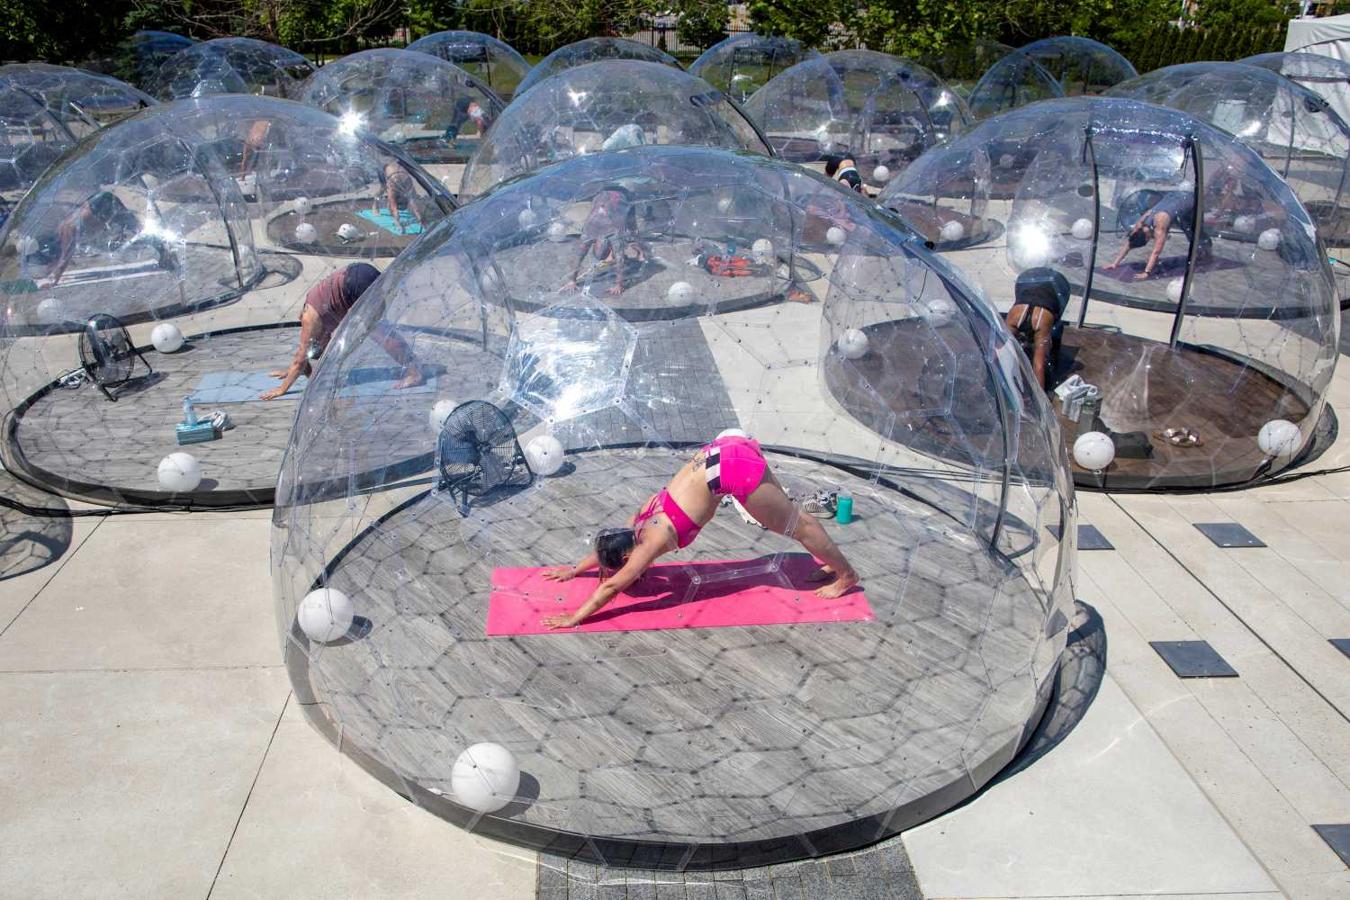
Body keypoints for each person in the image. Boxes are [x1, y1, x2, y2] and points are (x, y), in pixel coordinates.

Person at [540, 433, 861, 629]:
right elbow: (605, 550)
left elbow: (610, 589)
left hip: (730, 471)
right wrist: (574, 570)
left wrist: (573, 618)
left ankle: (846, 575)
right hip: (721, 451)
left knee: (797, 526)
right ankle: (832, 561)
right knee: (795, 517)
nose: (627, 571)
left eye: (621, 563)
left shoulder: (649, 544)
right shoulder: (639, 517)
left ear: (627, 554)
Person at [260, 262, 424, 400]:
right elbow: (301, 360)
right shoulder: (313, 311)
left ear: (318, 341)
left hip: (356, 283)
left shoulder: (311, 323)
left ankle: (414, 372)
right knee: (380, 329)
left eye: (322, 347)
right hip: (358, 271)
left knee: (378, 332)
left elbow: (300, 359)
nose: (326, 345)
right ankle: (413, 365)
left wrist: (282, 389)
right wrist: (290, 371)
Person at [47, 190, 176, 286]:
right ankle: (164, 250)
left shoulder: (67, 231)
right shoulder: (63, 228)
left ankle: (165, 252)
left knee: (137, 230)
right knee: (135, 228)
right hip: (99, 201)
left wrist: (54, 281)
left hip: (102, 206)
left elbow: (65, 257)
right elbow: (63, 257)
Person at [1103, 189, 1211, 280]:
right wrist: (1115, 263)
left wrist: (1147, 272)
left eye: (1149, 239)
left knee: (1192, 230)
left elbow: (1156, 252)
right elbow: (1129, 243)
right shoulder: (1139, 225)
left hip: (1192, 200)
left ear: (1146, 237)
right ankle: (1202, 248)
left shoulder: (1160, 225)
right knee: (1183, 222)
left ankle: (1206, 250)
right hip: (1175, 195)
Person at [564, 187, 649, 297]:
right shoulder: (589, 231)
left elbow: (620, 261)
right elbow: (578, 257)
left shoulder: (613, 232)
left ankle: (641, 252)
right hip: (604, 194)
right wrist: (572, 281)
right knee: (627, 236)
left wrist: (619, 285)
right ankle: (639, 251)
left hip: (624, 196)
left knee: (632, 228)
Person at [1005, 267, 1069, 390]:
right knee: (1039, 359)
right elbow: (1038, 366)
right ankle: (1040, 397)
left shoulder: (1014, 314)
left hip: (1021, 306)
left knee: (1004, 349)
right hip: (1042, 314)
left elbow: (999, 351)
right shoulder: (1045, 319)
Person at [373, 161, 425, 235]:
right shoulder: (392, 186)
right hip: (385, 168)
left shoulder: (408, 185)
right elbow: (394, 207)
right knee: (383, 188)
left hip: (397, 172)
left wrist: (420, 221)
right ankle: (375, 205)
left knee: (410, 201)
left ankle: (389, 207)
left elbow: (414, 205)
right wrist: (397, 223)